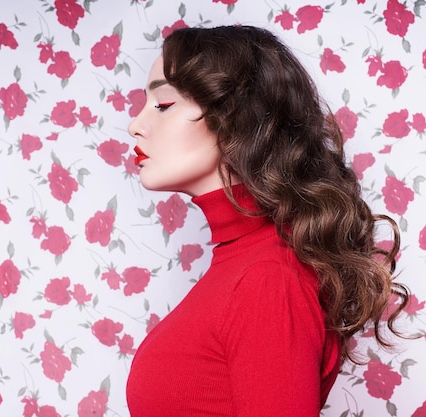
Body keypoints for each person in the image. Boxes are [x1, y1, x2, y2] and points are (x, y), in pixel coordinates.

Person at [126, 25, 410, 417]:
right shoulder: (243, 265)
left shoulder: (268, 278)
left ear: (235, 116)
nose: (135, 125)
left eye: (163, 104)